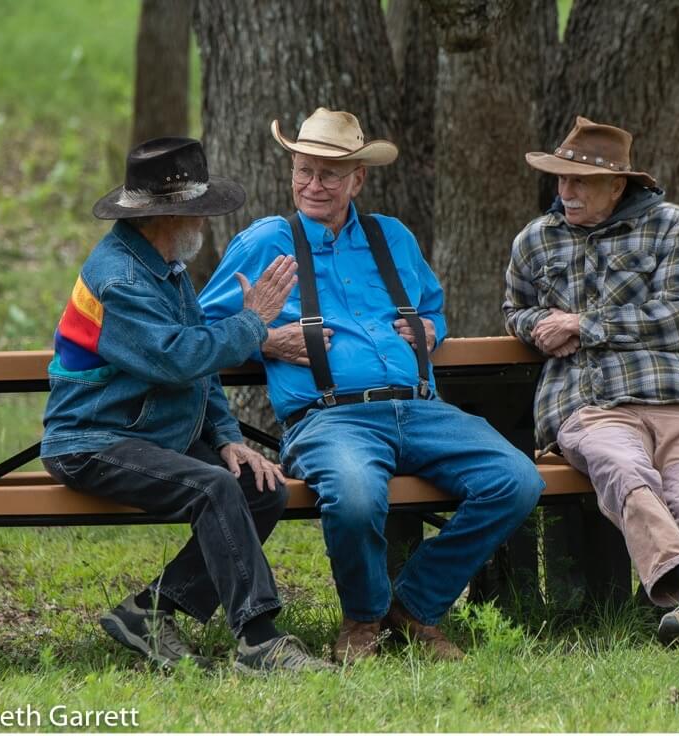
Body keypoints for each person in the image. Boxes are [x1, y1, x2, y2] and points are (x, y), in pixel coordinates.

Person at [200, 107, 543, 663]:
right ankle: (362, 620)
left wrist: (433, 329)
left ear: (358, 178)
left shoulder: (392, 237)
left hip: (423, 411)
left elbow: (432, 308)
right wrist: (263, 340)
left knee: (518, 480)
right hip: (329, 418)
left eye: (329, 174)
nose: (313, 185)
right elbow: (198, 330)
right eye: (304, 170)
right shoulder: (267, 241)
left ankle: (412, 606)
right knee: (357, 498)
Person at [41, 137, 332, 673]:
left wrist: (225, 437)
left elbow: (200, 371)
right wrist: (252, 323)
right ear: (164, 217)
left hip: (149, 431)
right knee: (214, 487)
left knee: (259, 488)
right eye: (197, 212)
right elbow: (178, 359)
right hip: (94, 440)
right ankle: (259, 640)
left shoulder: (161, 264)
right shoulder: (122, 279)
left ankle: (150, 611)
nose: (205, 223)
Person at [503, 116, 679, 647]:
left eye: (580, 182)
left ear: (618, 185)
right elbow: (515, 310)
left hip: (677, 396)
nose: (565, 193)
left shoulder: (670, 226)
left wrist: (583, 325)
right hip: (590, 403)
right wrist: (537, 327)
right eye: (560, 181)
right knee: (624, 469)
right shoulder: (535, 241)